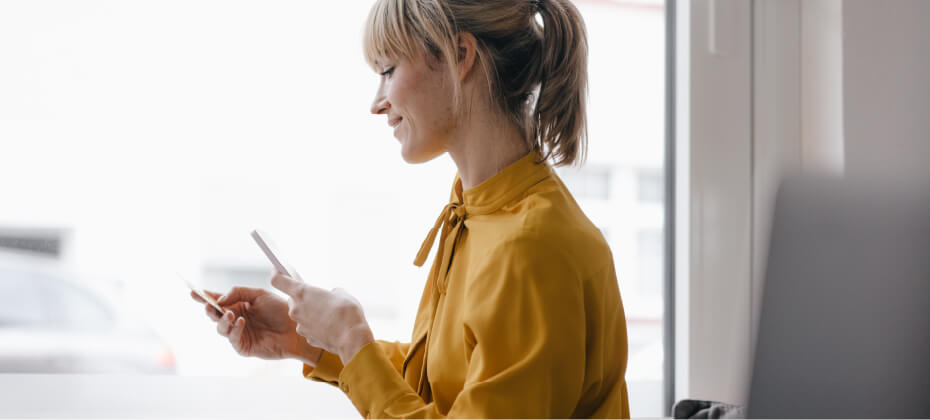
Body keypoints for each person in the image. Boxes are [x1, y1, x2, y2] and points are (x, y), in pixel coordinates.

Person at [190, 0, 630, 417]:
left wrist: (352, 339)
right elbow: (439, 391)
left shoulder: (531, 248)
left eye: (388, 70)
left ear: (460, 54)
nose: (376, 103)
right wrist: (314, 340)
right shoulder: (477, 213)